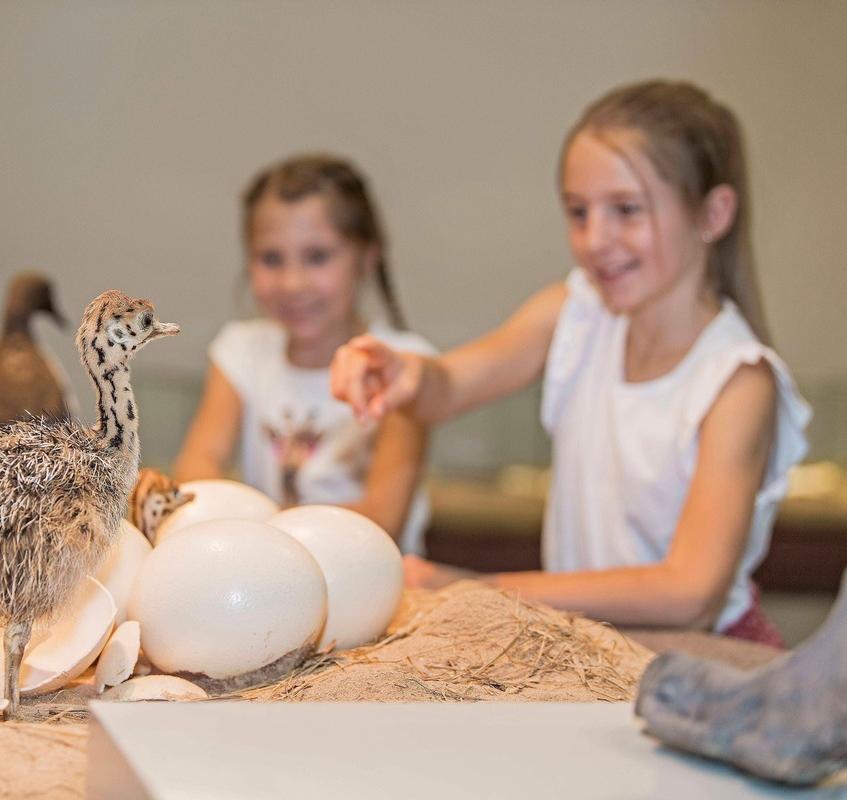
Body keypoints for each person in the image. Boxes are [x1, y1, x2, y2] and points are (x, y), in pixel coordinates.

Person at [330, 80, 810, 645]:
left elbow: (690, 592)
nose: (594, 238)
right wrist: (403, 371)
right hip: (588, 644)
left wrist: (478, 587)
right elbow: (449, 386)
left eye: (626, 210)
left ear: (712, 213)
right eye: (577, 211)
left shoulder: (736, 380)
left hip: (705, 661)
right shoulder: (575, 312)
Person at [174, 154, 437, 554]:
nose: (292, 283)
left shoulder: (404, 367)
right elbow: (197, 471)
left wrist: (255, 531)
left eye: (317, 257)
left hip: (370, 582)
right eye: (271, 259)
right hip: (267, 576)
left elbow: (384, 518)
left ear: (367, 257)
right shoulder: (239, 352)